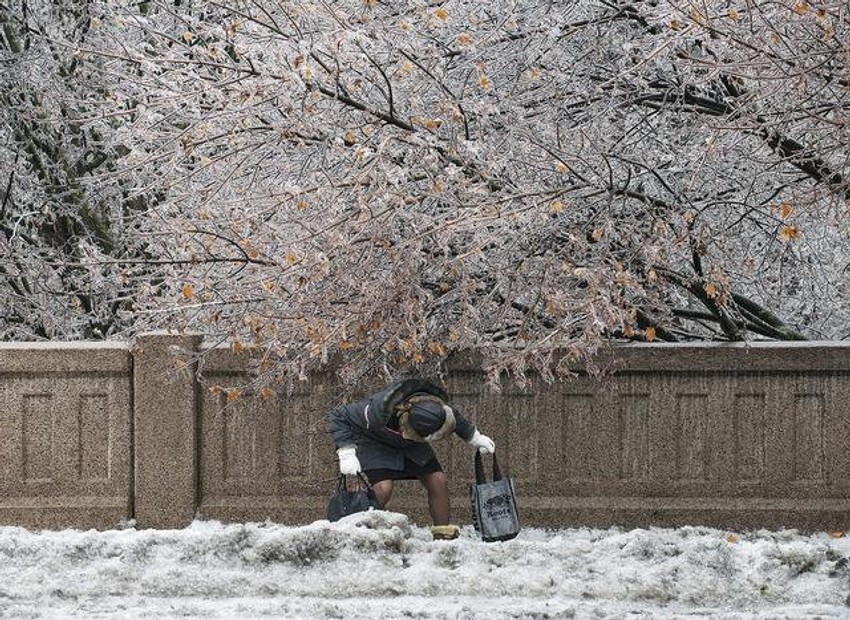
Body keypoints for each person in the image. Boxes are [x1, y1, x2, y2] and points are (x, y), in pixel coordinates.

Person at [327, 378, 496, 540]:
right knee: (383, 488)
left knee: (438, 480)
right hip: (375, 442)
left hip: (411, 444)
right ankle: (359, 533)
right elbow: (340, 415)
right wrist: (346, 451)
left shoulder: (432, 403)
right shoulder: (376, 411)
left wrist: (475, 437)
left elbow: (453, 418)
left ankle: (442, 534)